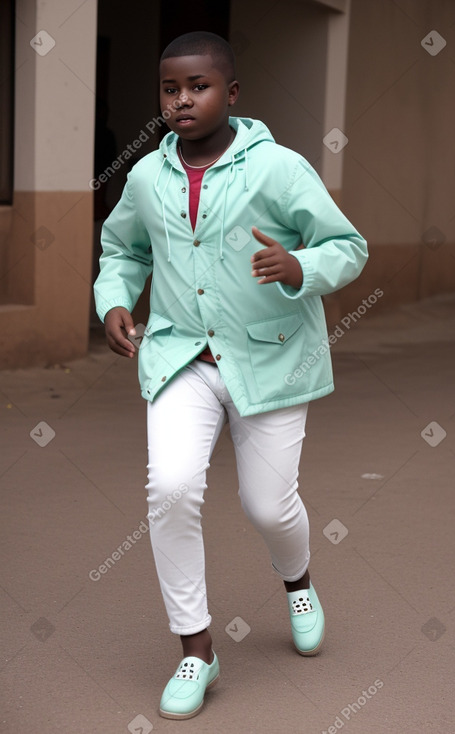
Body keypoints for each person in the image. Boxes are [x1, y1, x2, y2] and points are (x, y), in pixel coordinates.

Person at [93, 31, 368, 720]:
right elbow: (121, 249)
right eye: (169, 89)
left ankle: (297, 580)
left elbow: (347, 246)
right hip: (181, 356)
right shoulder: (147, 178)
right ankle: (196, 649)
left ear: (231, 93)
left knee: (267, 505)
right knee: (172, 489)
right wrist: (116, 300)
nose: (182, 100)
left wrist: (301, 268)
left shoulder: (277, 168)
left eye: (198, 87)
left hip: (271, 357)